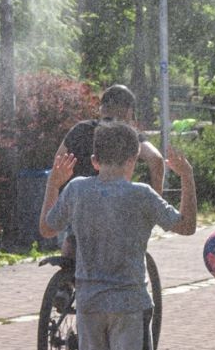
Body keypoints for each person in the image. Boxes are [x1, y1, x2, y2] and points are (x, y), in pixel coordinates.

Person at [40, 122, 197, 350]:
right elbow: (187, 226)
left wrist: (54, 183)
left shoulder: (77, 190)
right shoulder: (142, 194)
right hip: (129, 305)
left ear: (93, 160)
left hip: (90, 304)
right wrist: (187, 178)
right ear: (133, 160)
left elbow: (47, 228)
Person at [56, 85, 165, 257]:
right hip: (112, 211)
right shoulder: (127, 134)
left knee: (71, 250)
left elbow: (58, 162)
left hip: (74, 206)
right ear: (129, 111)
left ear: (102, 108)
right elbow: (156, 159)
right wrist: (155, 203)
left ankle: (66, 274)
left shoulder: (79, 129)